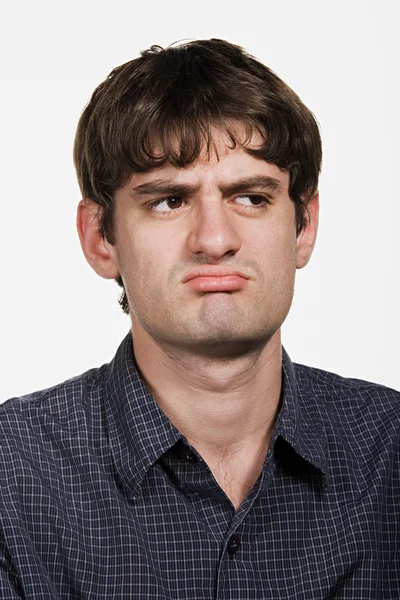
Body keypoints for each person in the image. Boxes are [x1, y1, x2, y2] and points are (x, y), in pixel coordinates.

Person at [0, 38, 399, 599]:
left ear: (303, 226)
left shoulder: (391, 453)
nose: (215, 240)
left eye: (251, 197)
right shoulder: (10, 475)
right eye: (168, 200)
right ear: (99, 238)